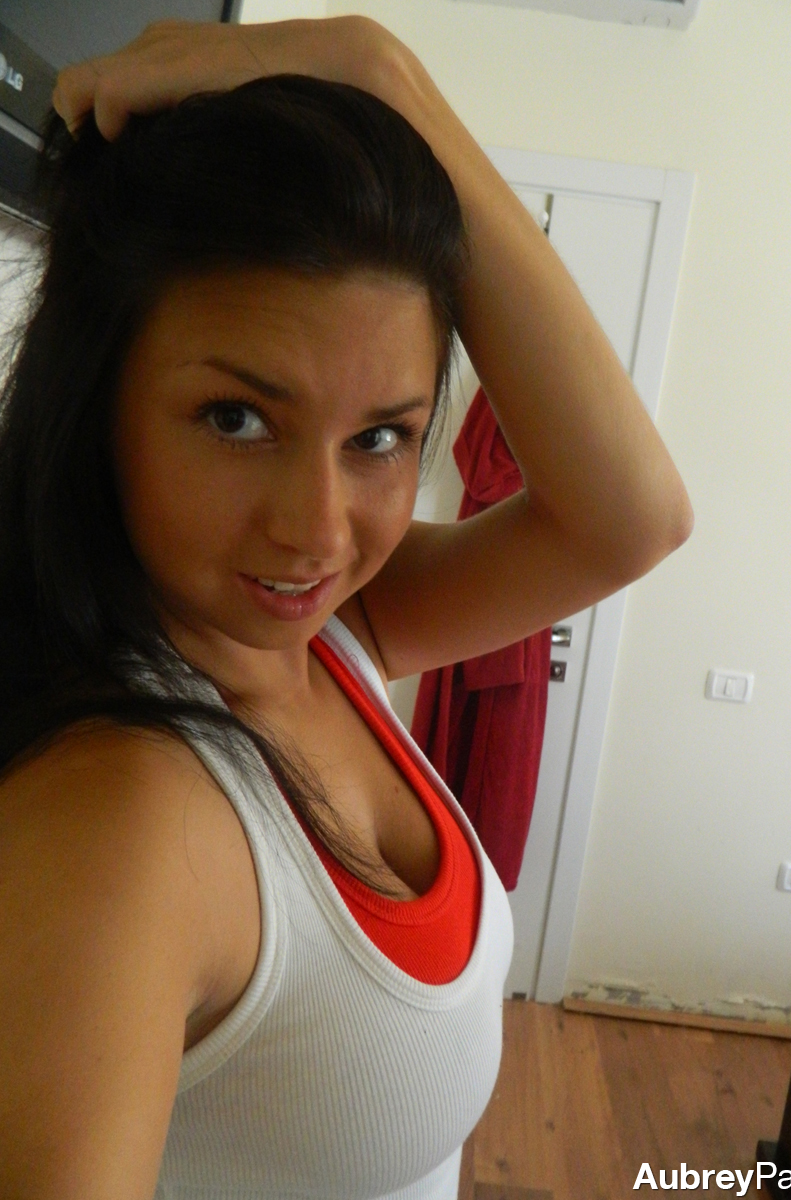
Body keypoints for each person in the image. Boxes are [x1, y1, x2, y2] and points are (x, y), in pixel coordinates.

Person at [0, 16, 693, 1200]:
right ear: (96, 401)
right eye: (236, 419)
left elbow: (633, 518)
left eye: (379, 437)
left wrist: (383, 75)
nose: (319, 533)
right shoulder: (125, 821)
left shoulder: (330, 641)